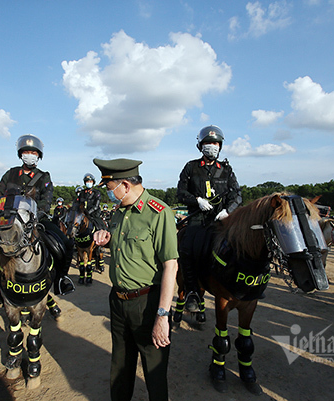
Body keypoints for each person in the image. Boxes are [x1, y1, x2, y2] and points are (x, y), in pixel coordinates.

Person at [92, 158, 179, 401]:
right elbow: (126, 246)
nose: (110, 195)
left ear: (126, 186)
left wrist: (162, 315)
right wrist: (106, 238)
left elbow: (170, 266)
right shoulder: (119, 213)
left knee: (154, 371)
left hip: (147, 304)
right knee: (120, 365)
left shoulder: (158, 213)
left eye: (111, 189)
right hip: (118, 301)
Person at [0, 134, 75, 299]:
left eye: (34, 152)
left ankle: (61, 279)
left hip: (37, 220)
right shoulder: (10, 174)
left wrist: (34, 216)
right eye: (26, 152)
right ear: (21, 154)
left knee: (65, 244)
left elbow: (46, 201)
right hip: (11, 220)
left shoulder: (43, 176)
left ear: (39, 155)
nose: (30, 155)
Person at [176, 125, 242, 312]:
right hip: (198, 219)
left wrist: (228, 210)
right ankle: (192, 292)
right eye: (207, 143)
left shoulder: (226, 170)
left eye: (215, 143)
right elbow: (180, 193)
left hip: (221, 220)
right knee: (187, 248)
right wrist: (196, 200)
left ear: (220, 146)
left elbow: (237, 194)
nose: (211, 146)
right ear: (200, 145)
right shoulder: (191, 167)